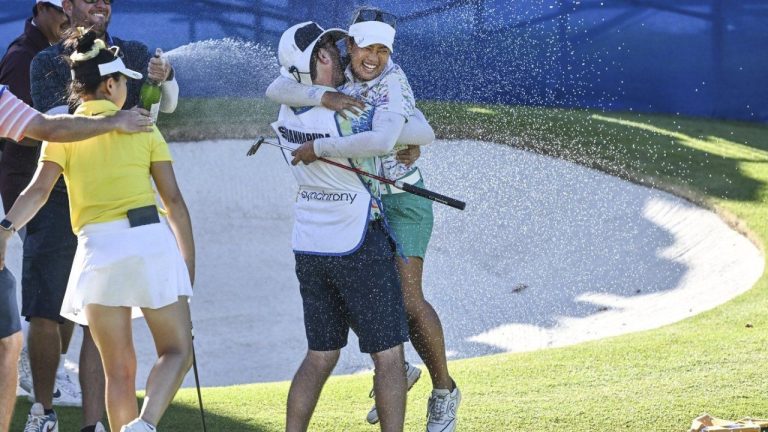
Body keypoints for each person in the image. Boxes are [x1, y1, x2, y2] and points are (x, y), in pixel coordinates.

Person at [266, 7, 460, 432]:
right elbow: (277, 88)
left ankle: (444, 390)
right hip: (369, 210)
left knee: (407, 302)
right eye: (360, 47)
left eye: (382, 49)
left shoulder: (390, 81)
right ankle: (400, 367)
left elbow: (419, 132)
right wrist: (324, 96)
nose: (372, 57)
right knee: (374, 307)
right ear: (349, 46)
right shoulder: (346, 84)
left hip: (403, 203)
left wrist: (324, 147)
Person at [0, 30, 193, 432]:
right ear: (110, 84)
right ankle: (145, 425)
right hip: (149, 242)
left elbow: (36, 192)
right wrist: (187, 264)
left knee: (118, 370)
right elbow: (173, 202)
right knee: (177, 350)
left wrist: (6, 228)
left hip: (97, 252)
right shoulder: (142, 126)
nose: (127, 90)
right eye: (124, 82)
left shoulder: (64, 130)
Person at [0, 84, 152, 432]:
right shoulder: (40, 67)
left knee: (11, 344)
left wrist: (5, 229)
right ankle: (46, 411)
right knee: (20, 335)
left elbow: (49, 131)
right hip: (67, 221)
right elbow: (49, 134)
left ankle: (92, 424)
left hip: (100, 230)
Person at [0, 0, 84, 411]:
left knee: (66, 280)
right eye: (60, 11)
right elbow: (22, 130)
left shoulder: (64, 52)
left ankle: (49, 367)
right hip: (31, 187)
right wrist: (66, 128)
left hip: (58, 181)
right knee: (48, 283)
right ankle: (37, 374)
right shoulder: (22, 57)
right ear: (40, 9)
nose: (67, 20)